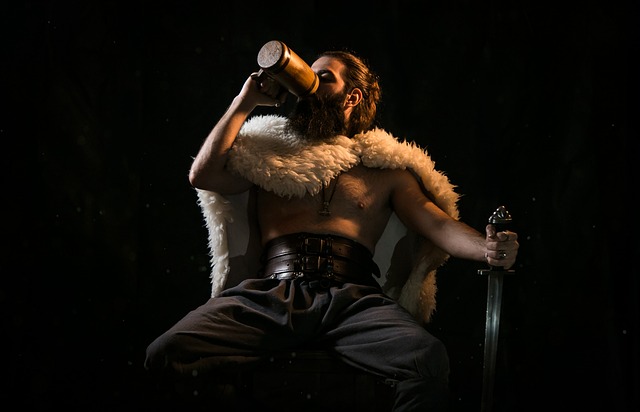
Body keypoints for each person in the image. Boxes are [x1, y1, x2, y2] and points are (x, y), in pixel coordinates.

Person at [144, 48, 519, 411]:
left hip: (353, 300)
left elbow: (437, 223)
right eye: (305, 75)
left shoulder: (385, 170)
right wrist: (245, 101)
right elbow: (203, 175)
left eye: (322, 77)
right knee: (167, 352)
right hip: (272, 295)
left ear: (352, 96)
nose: (307, 85)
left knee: (426, 358)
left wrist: (486, 248)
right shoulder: (268, 158)